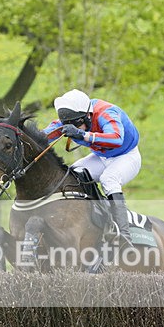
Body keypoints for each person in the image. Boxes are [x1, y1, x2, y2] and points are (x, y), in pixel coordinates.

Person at [43, 89, 140, 246]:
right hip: (101, 157)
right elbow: (45, 135)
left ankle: (124, 235)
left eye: (77, 124)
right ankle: (94, 219)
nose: (76, 128)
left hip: (126, 156)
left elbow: (117, 139)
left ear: (88, 115)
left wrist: (83, 135)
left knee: (109, 179)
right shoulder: (73, 117)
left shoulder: (106, 112)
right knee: (72, 174)